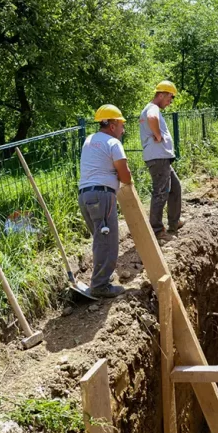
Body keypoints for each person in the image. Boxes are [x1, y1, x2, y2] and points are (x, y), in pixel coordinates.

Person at [78, 105, 132, 298]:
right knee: (107, 242)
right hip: (102, 196)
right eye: (121, 125)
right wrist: (127, 177)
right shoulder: (113, 143)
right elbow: (125, 177)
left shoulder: (89, 140)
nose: (123, 130)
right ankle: (100, 286)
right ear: (112, 125)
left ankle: (103, 280)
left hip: (85, 196)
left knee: (101, 240)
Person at [139, 80, 184, 239]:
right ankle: (157, 230)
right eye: (169, 98)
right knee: (161, 193)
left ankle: (174, 222)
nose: (170, 102)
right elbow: (152, 118)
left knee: (175, 188)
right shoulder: (153, 109)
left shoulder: (151, 108)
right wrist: (158, 135)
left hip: (161, 158)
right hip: (158, 158)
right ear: (161, 94)